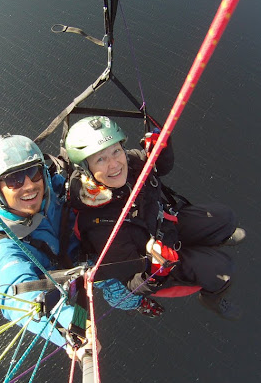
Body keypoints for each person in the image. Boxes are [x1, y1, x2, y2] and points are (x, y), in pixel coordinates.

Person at [65, 116, 246, 320]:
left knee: (225, 218)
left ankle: (217, 237)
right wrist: (155, 272)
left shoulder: (130, 162)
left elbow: (159, 167)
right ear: (86, 169)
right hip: (155, 259)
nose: (114, 164)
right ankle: (212, 297)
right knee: (223, 270)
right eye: (100, 159)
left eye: (116, 151)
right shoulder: (102, 228)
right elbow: (131, 282)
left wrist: (162, 149)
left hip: (164, 223)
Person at [0, 134, 84, 347]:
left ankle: (140, 290)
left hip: (79, 258)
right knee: (82, 307)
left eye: (33, 173)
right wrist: (76, 334)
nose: (29, 186)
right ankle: (82, 330)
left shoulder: (52, 189)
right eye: (14, 180)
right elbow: (16, 295)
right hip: (61, 280)